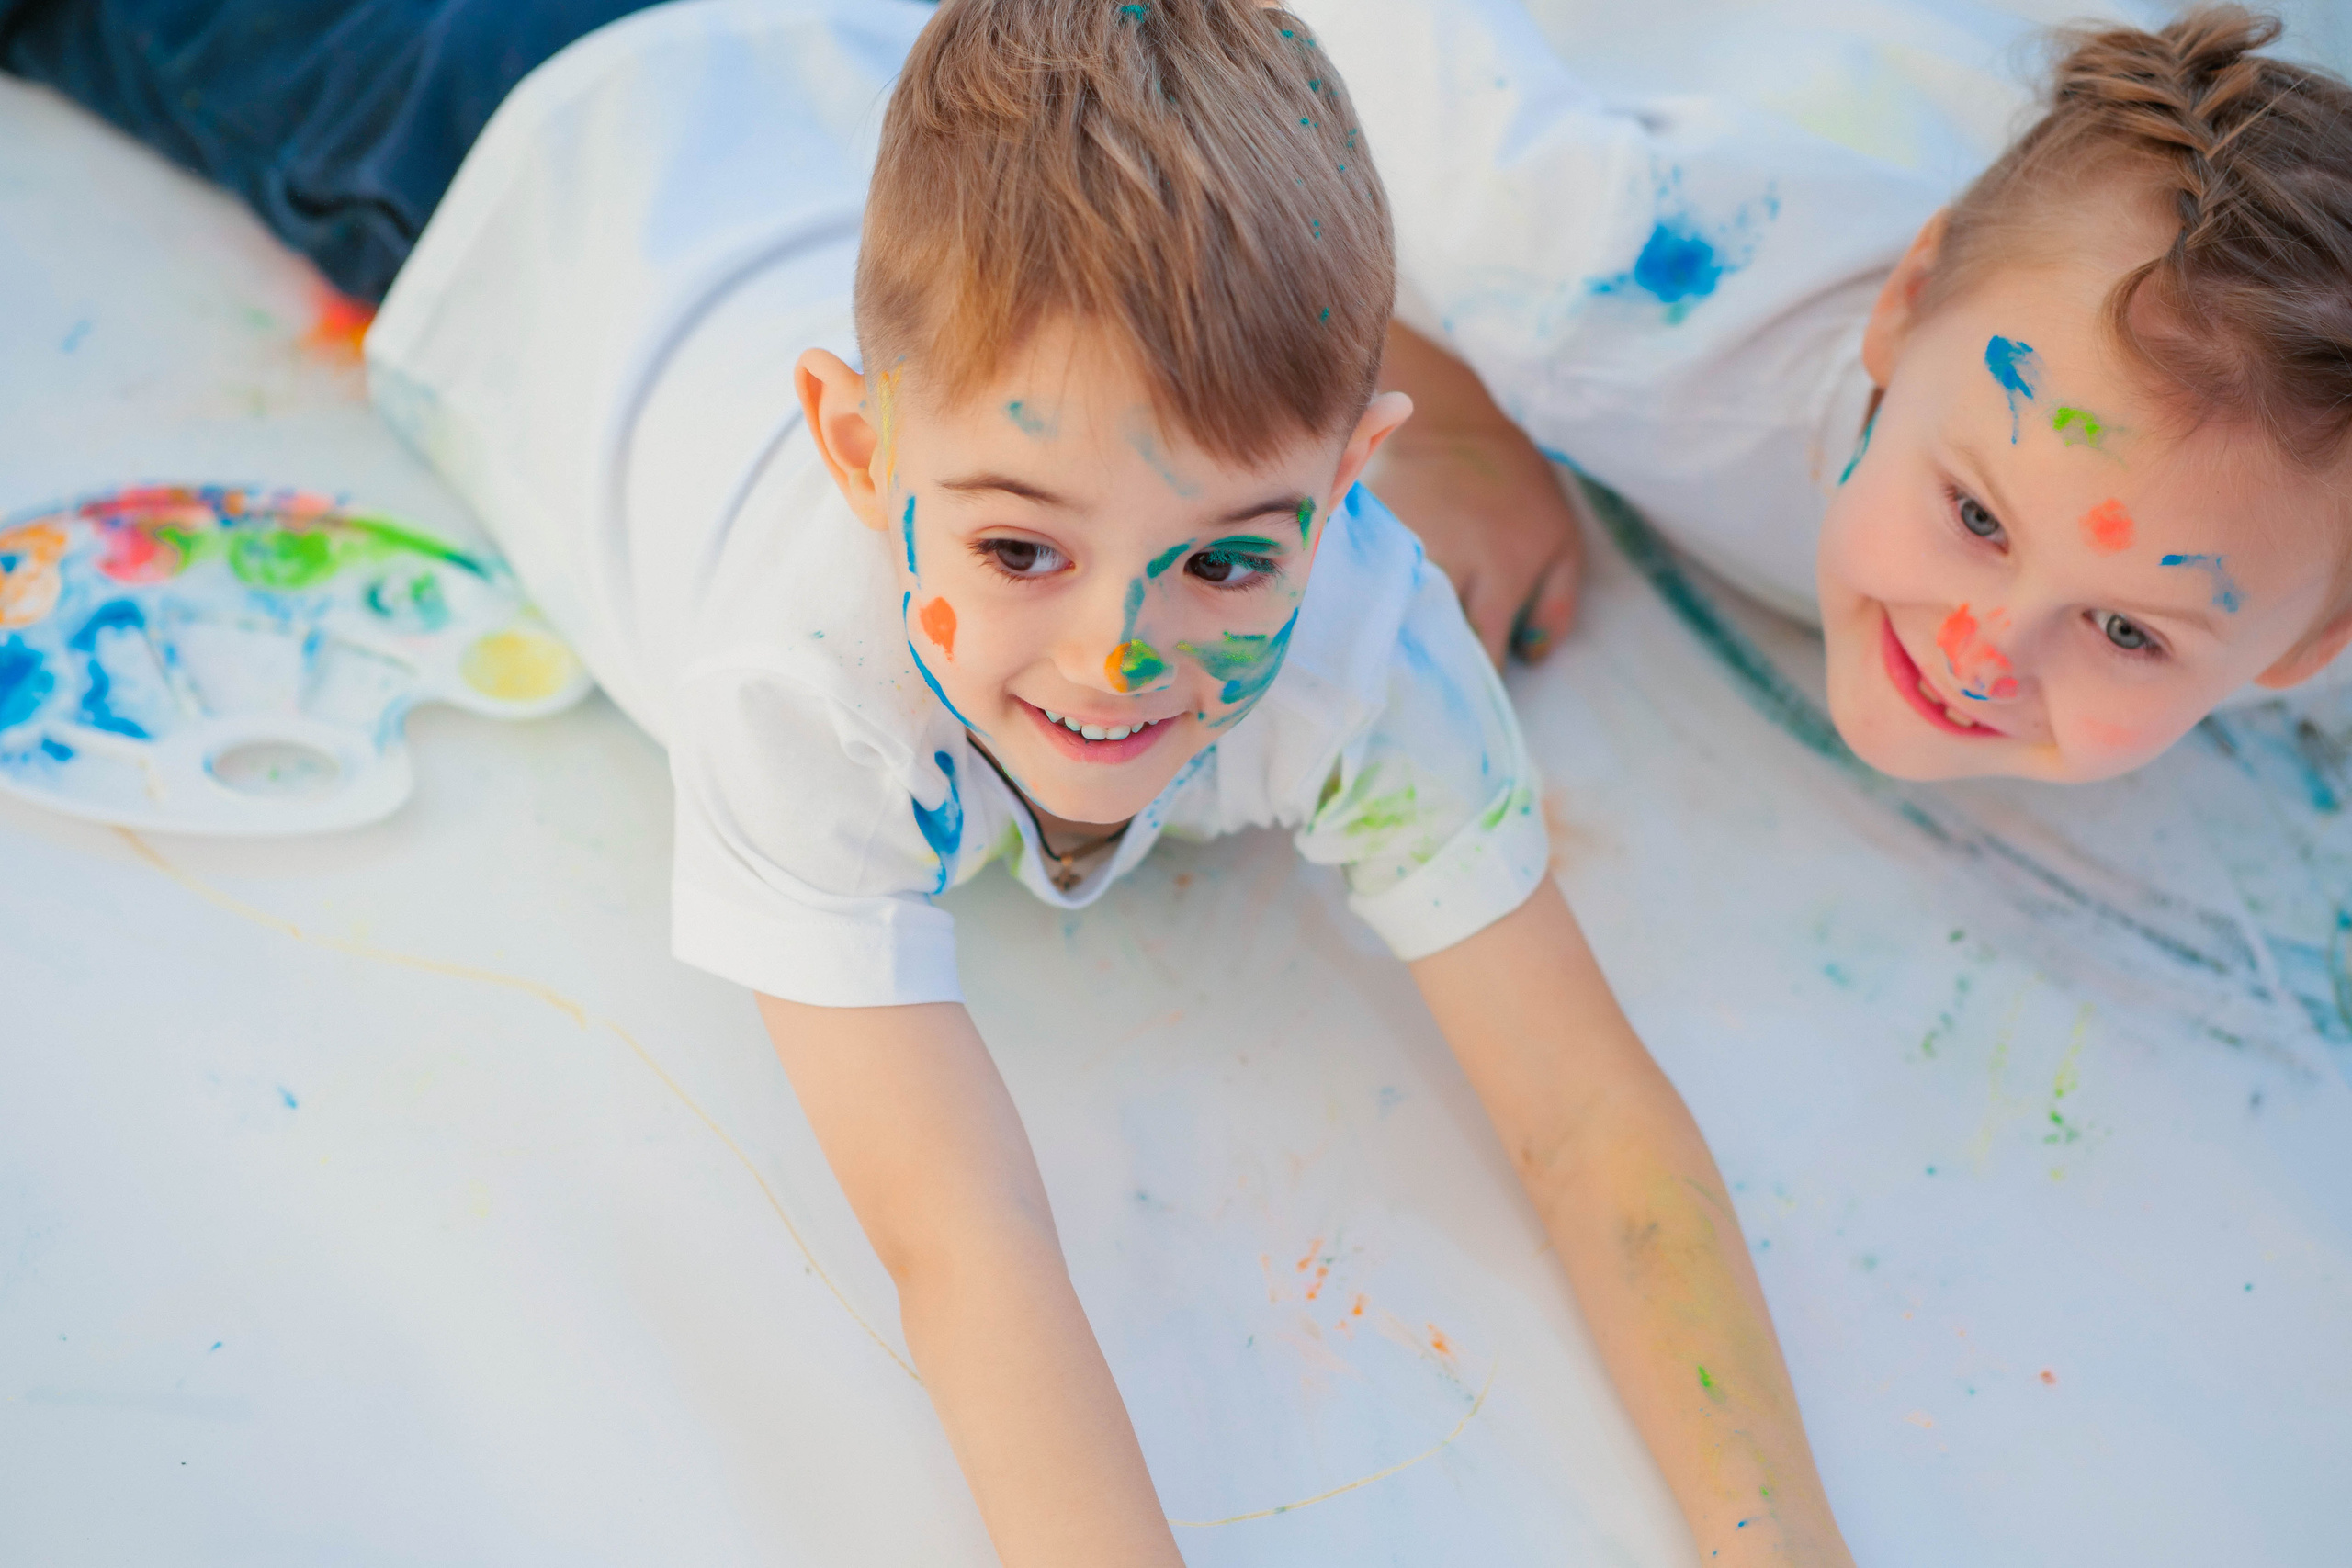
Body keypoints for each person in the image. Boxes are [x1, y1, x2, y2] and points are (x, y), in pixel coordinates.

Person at [365, 0, 1860, 1562]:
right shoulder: (808, 690)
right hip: (496, 149)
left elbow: (1590, 1115)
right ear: (856, 451)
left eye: (1224, 557)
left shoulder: (1364, 629)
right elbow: (960, 1238)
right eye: (1019, 549)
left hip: (824, 77)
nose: (1116, 659)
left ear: (1356, 477)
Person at [1302, 0, 2352, 784]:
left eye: (2129, 633)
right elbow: (1272, 80)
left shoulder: (2299, 551)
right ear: (1904, 302)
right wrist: (1447, 408)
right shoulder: (1592, 291)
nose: (1978, 659)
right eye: (1976, 517)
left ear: (2308, 646)